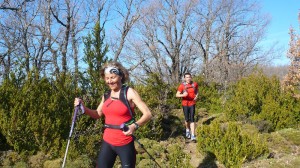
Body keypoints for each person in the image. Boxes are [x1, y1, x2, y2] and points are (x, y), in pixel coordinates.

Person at [74, 61, 152, 168]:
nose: (109, 81)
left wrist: (134, 126)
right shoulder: (106, 95)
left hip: (125, 142)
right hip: (108, 141)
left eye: (113, 77)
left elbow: (147, 114)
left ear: (120, 76)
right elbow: (97, 114)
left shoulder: (129, 92)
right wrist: (83, 108)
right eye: (107, 78)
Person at [176, 72, 198, 141]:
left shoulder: (195, 84)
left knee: (192, 119)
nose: (188, 78)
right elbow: (177, 95)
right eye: (187, 77)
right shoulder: (182, 86)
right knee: (186, 119)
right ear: (185, 78)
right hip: (185, 104)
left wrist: (196, 96)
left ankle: (193, 135)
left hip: (192, 103)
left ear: (191, 77)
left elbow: (197, 91)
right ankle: (187, 129)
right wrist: (183, 95)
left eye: (189, 77)